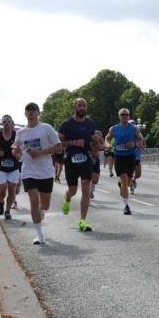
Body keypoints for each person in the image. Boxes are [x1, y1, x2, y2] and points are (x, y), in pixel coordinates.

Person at [13, 102, 61, 245]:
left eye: (34, 110)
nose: (31, 112)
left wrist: (39, 152)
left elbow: (58, 147)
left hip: (45, 171)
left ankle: (41, 213)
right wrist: (15, 152)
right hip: (28, 171)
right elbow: (15, 148)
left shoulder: (46, 128)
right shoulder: (21, 132)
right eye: (28, 110)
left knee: (44, 205)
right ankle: (39, 235)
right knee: (34, 200)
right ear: (25, 113)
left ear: (38, 113)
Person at [58, 98, 97, 232]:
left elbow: (93, 139)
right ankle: (67, 198)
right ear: (74, 107)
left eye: (84, 105)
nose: (81, 107)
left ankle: (83, 221)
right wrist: (73, 143)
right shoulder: (67, 124)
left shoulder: (90, 123)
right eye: (79, 105)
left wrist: (96, 141)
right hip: (71, 159)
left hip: (85, 158)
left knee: (86, 188)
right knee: (73, 190)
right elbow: (58, 143)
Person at [106, 109, 145, 215]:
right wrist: (108, 145)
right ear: (119, 116)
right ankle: (126, 206)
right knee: (124, 181)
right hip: (119, 157)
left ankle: (122, 186)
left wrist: (135, 144)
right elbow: (107, 139)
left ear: (129, 116)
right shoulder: (114, 129)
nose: (124, 116)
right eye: (122, 114)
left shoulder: (134, 129)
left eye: (126, 114)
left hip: (130, 157)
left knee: (127, 182)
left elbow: (141, 140)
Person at [0, 115, 21, 220]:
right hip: (1, 168)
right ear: (2, 124)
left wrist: (18, 154)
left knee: (12, 190)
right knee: (2, 190)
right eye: (4, 122)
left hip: (14, 168)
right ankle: (1, 201)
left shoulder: (17, 136)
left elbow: (22, 151)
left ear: (12, 123)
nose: (6, 124)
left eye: (8, 122)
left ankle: (7, 211)